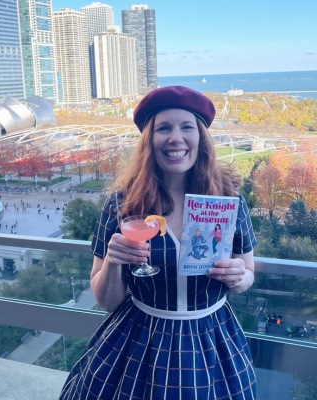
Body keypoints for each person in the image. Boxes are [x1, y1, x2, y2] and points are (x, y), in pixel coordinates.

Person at [59, 86, 257, 399]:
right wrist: (112, 261)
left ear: (201, 138)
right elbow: (107, 301)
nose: (175, 138)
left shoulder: (229, 200)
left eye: (186, 127)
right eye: (163, 128)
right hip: (138, 342)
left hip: (211, 342)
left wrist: (238, 276)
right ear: (149, 141)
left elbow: (248, 275)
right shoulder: (122, 204)